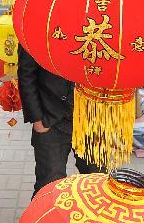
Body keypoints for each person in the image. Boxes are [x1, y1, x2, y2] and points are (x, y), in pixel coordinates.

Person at [17, 44, 103, 197]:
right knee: (49, 187)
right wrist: (37, 119)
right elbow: (26, 74)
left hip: (92, 119)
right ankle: (44, 220)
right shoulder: (39, 24)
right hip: (51, 119)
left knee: (98, 185)